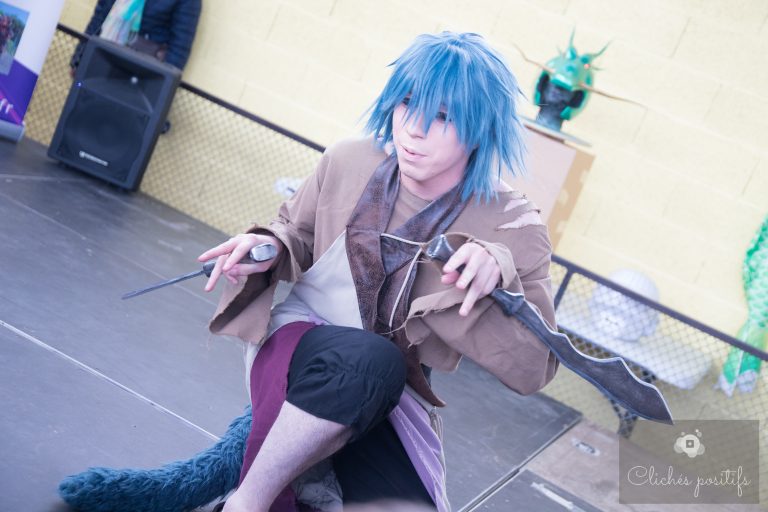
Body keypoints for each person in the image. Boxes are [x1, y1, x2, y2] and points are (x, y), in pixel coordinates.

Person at [58, 31, 559, 512]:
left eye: (443, 116)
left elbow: (534, 370)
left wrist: (500, 282)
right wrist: (266, 248)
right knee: (374, 360)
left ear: (481, 126)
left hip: (393, 397)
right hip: (302, 347)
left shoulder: (513, 224)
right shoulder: (349, 160)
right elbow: (294, 232)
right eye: (407, 104)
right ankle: (246, 503)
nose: (414, 129)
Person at [70, 0, 201, 73]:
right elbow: (100, 16)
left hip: (139, 77)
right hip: (99, 59)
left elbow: (179, 49)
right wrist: (79, 58)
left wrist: (160, 92)